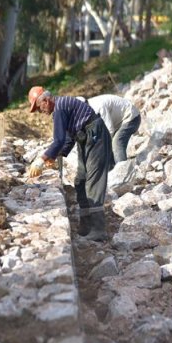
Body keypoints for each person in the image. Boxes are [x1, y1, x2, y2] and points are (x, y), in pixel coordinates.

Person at [27, 86, 114, 241]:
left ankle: (98, 229)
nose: (41, 112)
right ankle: (86, 225)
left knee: (93, 182)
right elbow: (67, 139)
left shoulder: (60, 108)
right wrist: (54, 156)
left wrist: (42, 160)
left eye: (40, 108)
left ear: (46, 100)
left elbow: (59, 140)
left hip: (95, 136)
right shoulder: (60, 108)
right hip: (85, 138)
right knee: (80, 181)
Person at [85, 94, 141, 163]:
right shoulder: (88, 110)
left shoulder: (98, 107)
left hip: (131, 118)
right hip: (119, 122)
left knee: (117, 142)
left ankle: (123, 170)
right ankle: (113, 168)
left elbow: (109, 130)